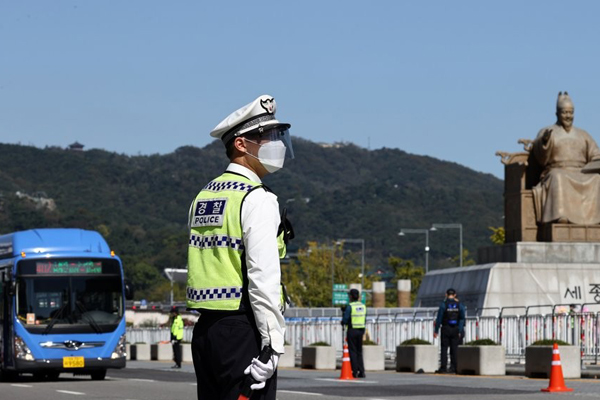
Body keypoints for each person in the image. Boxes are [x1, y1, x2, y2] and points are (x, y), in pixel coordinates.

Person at [187, 94, 294, 400]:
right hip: (243, 328)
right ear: (241, 144)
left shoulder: (204, 196)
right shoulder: (257, 198)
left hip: (207, 330)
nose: (277, 144)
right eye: (266, 137)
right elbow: (262, 277)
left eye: (277, 135)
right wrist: (273, 344)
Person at [531, 92, 600, 225]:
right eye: (564, 112)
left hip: (581, 172)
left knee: (597, 179)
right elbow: (540, 157)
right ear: (557, 113)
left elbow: (595, 154)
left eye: (571, 113)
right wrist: (545, 141)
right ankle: (560, 216)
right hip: (557, 170)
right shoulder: (548, 131)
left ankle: (595, 220)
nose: (568, 116)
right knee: (558, 177)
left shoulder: (583, 134)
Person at [433, 288, 465, 374]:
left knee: (444, 348)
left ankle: (443, 368)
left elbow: (439, 318)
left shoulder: (443, 304)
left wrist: (436, 330)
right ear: (455, 295)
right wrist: (460, 330)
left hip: (446, 328)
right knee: (454, 349)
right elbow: (462, 318)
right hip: (455, 329)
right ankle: (454, 367)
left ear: (446, 294)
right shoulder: (459, 305)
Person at [341, 289, 366, 378]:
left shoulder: (350, 306)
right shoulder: (363, 306)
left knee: (353, 351)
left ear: (351, 296)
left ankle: (354, 371)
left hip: (352, 330)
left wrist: (343, 320)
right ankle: (362, 371)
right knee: (359, 351)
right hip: (361, 330)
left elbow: (345, 319)